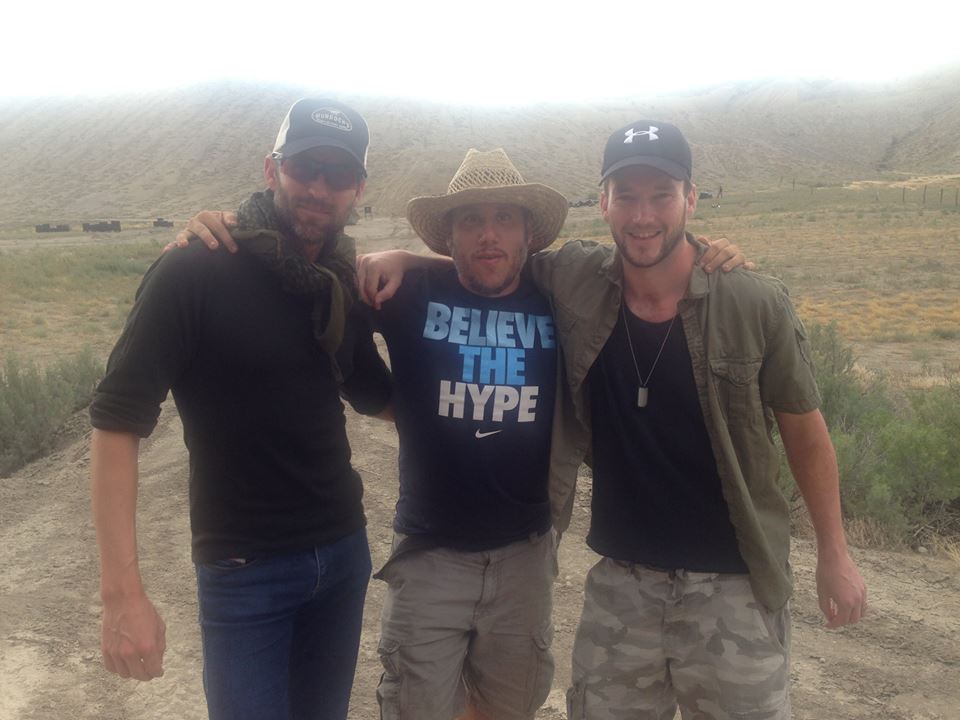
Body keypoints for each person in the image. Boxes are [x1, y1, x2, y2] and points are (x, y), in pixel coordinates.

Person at [179, 146, 746, 720]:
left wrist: (706, 252)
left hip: (526, 556)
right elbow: (311, 288)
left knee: (509, 708)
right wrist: (234, 231)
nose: (488, 234)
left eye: (504, 218)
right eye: (471, 220)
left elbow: (642, 268)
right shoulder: (404, 293)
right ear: (448, 236)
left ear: (529, 232)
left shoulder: (560, 299)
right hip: (430, 556)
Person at [360, 120, 867, 720]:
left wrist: (835, 553)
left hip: (733, 584)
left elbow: (806, 434)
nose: (642, 215)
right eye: (626, 196)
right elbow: (492, 260)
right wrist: (403, 258)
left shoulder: (751, 300)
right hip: (622, 583)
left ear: (691, 199)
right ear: (603, 202)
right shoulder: (578, 281)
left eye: (661, 195)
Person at [88, 98, 393, 720]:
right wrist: (122, 596)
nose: (319, 188)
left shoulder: (337, 283)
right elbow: (117, 422)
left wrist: (413, 266)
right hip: (245, 572)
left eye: (338, 174)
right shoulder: (193, 270)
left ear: (358, 189)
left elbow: (381, 398)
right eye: (304, 167)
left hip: (342, 554)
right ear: (271, 168)